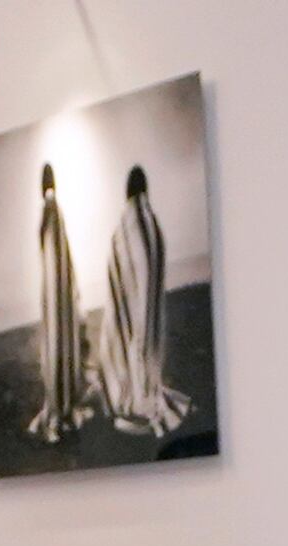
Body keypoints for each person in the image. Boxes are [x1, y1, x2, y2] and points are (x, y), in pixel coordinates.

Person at [100, 164, 188, 438]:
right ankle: (144, 390)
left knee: (131, 343)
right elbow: (152, 266)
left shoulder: (122, 230)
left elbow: (116, 275)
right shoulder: (151, 224)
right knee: (146, 342)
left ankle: (134, 393)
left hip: (129, 312)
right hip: (147, 311)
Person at [27, 160, 86, 443]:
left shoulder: (48, 209)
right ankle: (63, 400)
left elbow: (50, 254)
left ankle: (59, 402)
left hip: (54, 295)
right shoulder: (54, 209)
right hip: (58, 294)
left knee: (55, 346)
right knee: (61, 345)